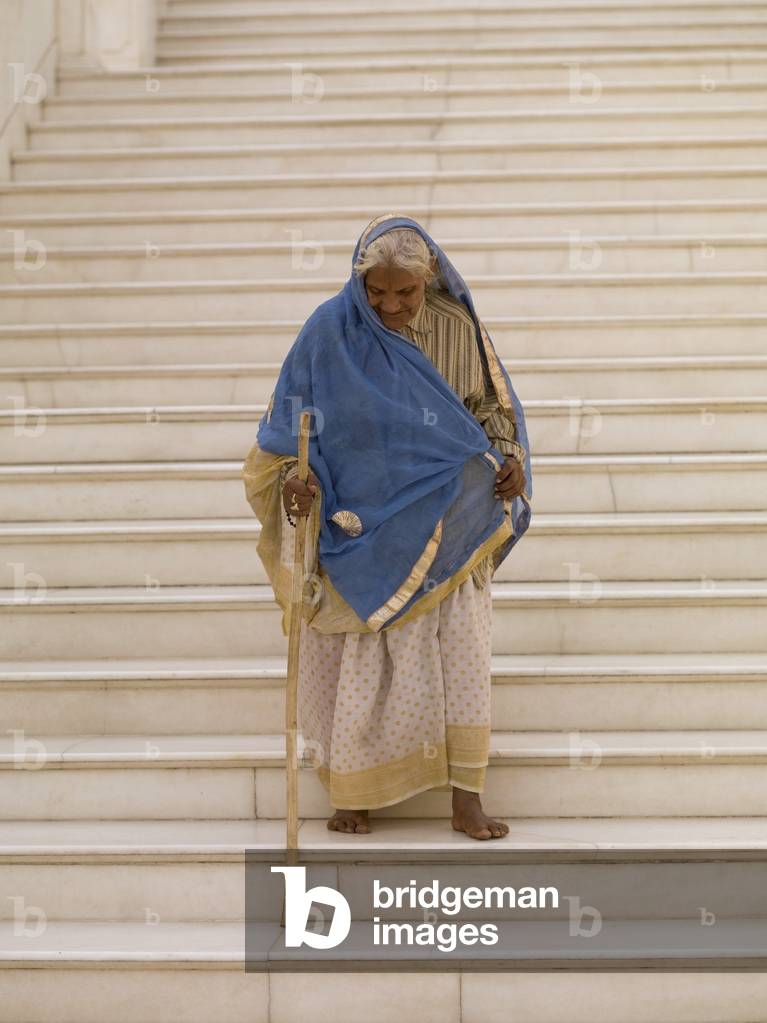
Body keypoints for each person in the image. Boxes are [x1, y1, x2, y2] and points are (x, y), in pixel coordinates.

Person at [242, 213, 532, 840]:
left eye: (405, 292)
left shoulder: (456, 327)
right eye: (378, 291)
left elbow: (489, 406)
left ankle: (466, 799)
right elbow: (294, 423)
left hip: (450, 515)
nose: (391, 305)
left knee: (462, 659)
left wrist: (507, 455)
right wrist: (298, 475)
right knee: (355, 663)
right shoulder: (330, 331)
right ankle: (354, 794)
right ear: (360, 281)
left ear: (429, 281)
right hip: (357, 522)